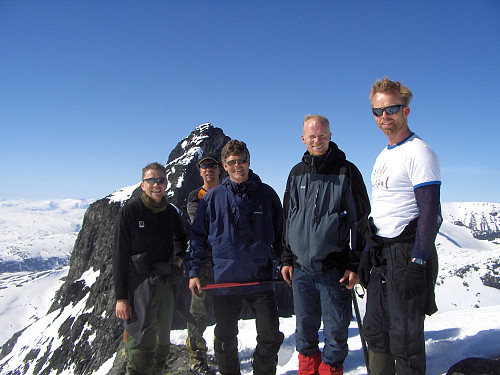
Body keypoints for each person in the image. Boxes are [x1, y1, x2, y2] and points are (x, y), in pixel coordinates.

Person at [358, 77, 441, 375]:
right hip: (382, 255)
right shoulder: (383, 156)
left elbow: (430, 212)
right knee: (376, 332)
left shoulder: (419, 152)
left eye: (391, 108)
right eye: (378, 111)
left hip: (406, 254)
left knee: (405, 338)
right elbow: (381, 210)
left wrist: (418, 262)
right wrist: (368, 251)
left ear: (406, 110)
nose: (384, 117)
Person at [281, 115, 370, 375]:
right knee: (305, 330)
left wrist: (354, 264)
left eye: (322, 135)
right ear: (303, 139)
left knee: (336, 331)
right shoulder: (297, 173)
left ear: (330, 136)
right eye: (312, 136)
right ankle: (308, 371)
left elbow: (360, 221)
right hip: (301, 271)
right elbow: (289, 217)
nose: (317, 140)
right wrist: (287, 258)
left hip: (333, 269)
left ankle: (330, 371)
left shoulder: (346, 171)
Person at [188, 140, 285, 375]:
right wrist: (194, 272)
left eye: (241, 161)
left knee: (270, 335)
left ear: (249, 162)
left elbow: (281, 235)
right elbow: (198, 238)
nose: (237, 166)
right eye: (232, 162)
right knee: (224, 336)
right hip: (225, 280)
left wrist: (285, 262)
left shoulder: (267, 194)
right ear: (224, 165)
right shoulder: (212, 199)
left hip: (260, 278)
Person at [113, 162, 187, 375]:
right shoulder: (130, 213)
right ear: (142, 185)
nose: (157, 185)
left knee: (162, 339)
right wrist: (121, 298)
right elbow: (118, 256)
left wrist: (179, 258)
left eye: (161, 180)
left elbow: (180, 238)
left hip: (163, 284)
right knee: (141, 341)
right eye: (151, 180)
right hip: (138, 287)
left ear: (166, 183)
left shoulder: (170, 212)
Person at [185, 154, 222, 375]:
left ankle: (222, 351)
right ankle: (196, 355)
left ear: (220, 169)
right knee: (198, 312)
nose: (209, 169)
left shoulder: (229, 190)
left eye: (213, 165)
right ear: (200, 171)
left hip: (225, 262)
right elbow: (201, 227)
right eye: (204, 166)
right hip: (204, 262)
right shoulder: (194, 197)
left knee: (226, 310)